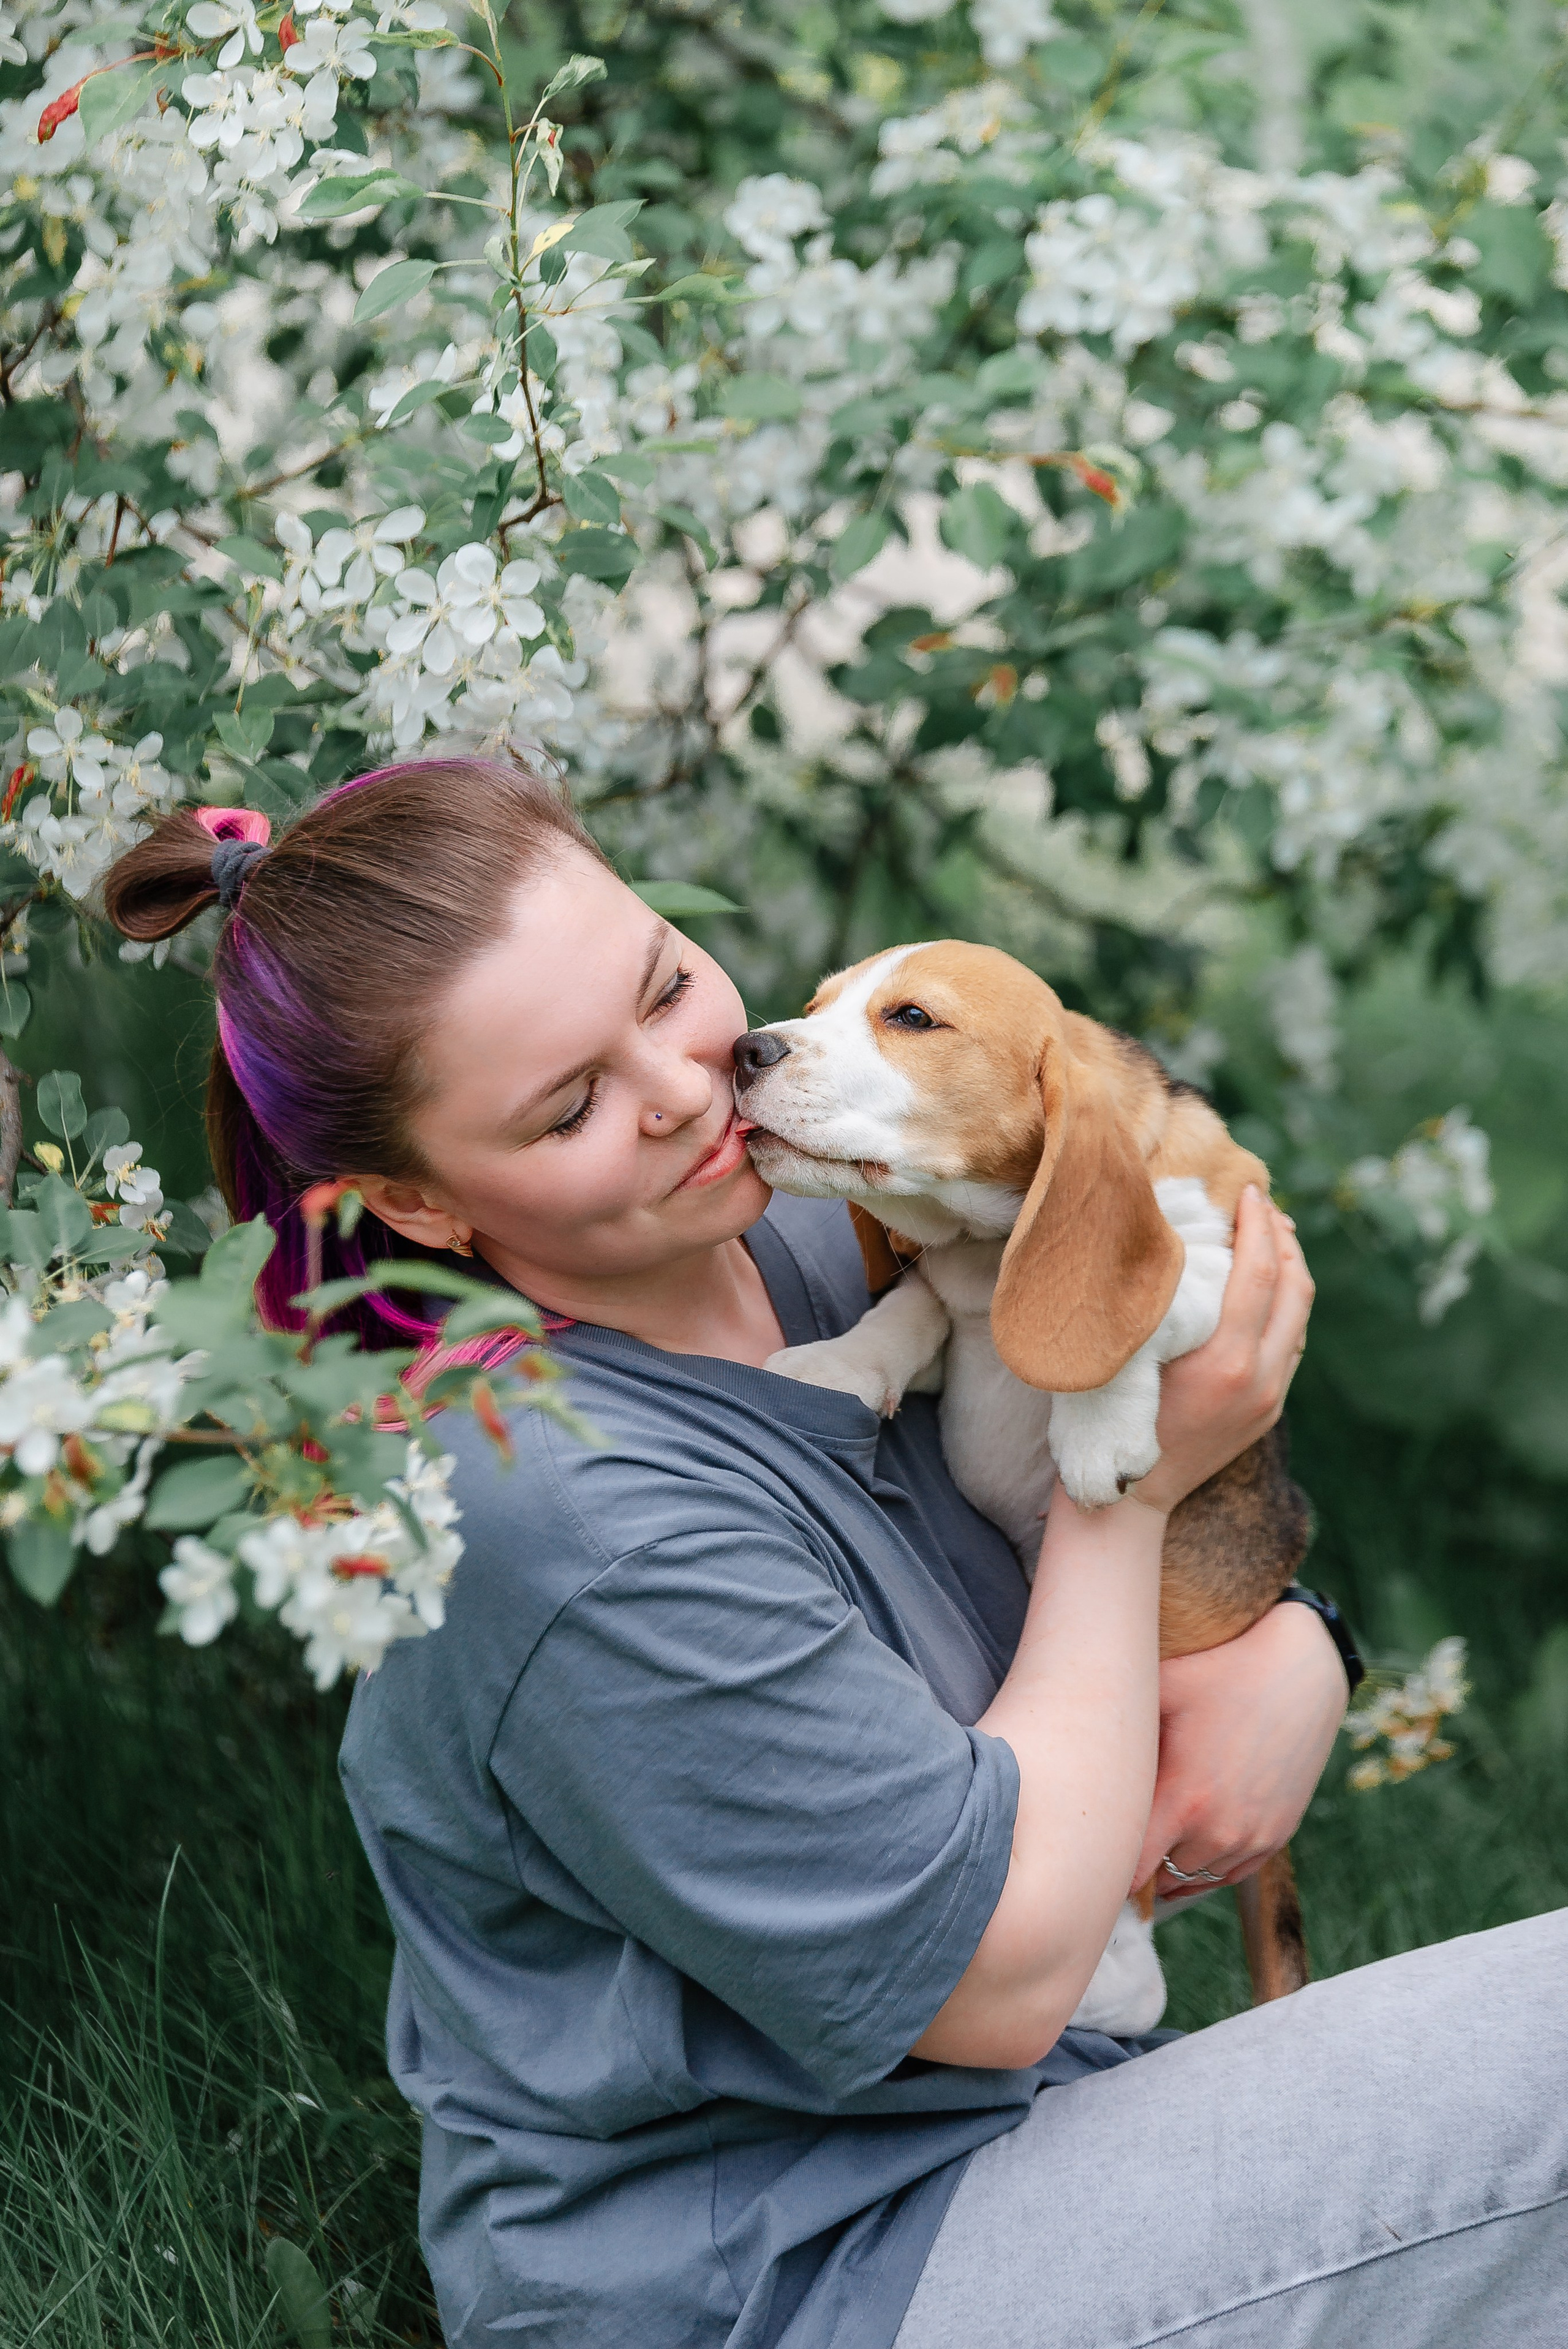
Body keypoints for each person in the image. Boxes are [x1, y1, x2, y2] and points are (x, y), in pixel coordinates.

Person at [106, 757, 1567, 2349]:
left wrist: (1297, 1644)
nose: (687, 1088)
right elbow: (1007, 1978)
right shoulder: (560, 1524)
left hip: (1050, 2122)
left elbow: (1106, 1389)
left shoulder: (814, 1225)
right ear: (419, 1203)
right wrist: (1130, 1494)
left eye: (667, 986)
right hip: (812, 2270)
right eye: (571, 1104)